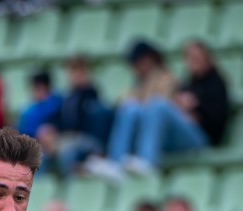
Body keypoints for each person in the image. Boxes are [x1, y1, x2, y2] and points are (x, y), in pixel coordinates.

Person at [89, 40, 228, 179]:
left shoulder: (216, 83)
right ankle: (115, 162)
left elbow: (216, 120)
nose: (193, 61)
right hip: (174, 138)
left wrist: (195, 110)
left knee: (158, 106)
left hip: (201, 139)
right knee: (130, 108)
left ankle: (147, 161)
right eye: (189, 58)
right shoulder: (188, 83)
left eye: (197, 57)